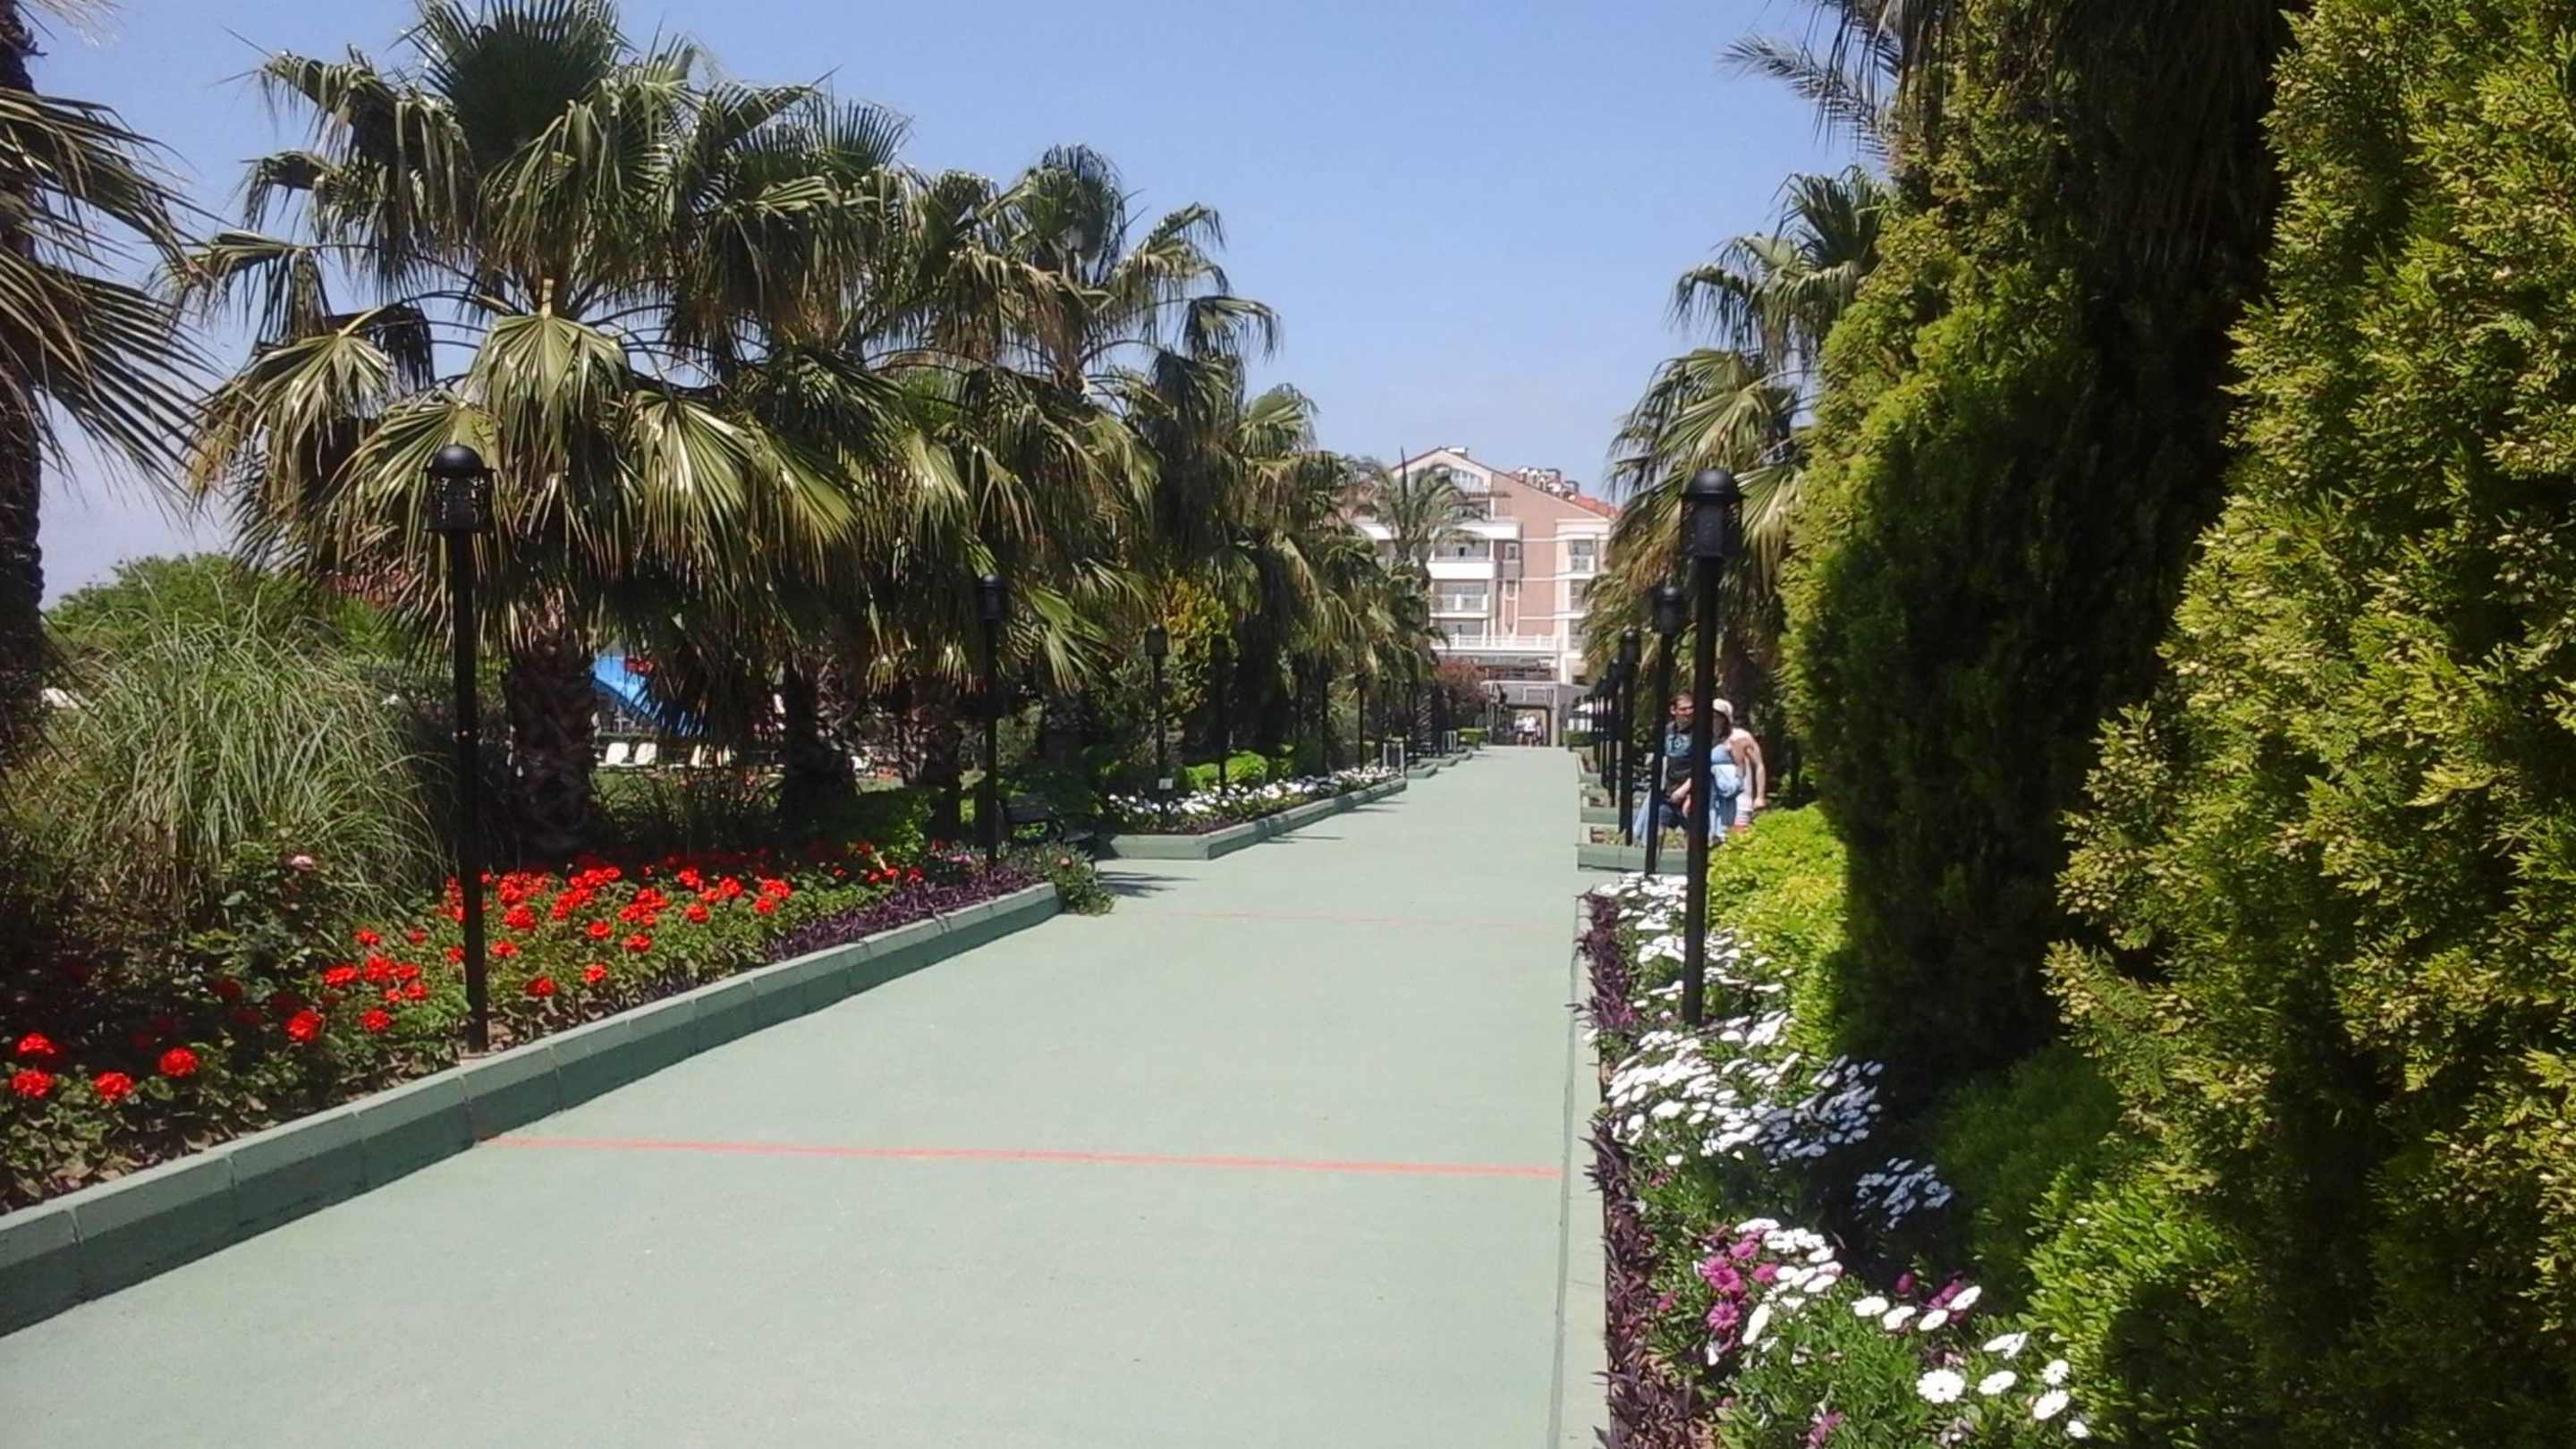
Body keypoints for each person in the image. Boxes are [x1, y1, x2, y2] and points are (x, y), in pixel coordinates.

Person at [1710, 697, 1767, 834]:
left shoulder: (1740, 737)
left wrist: (1760, 797)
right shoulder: (1709, 740)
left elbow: (1759, 765)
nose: (1712, 721)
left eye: (1716, 717)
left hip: (1739, 800)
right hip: (1715, 800)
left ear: (1725, 719)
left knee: (1735, 838)